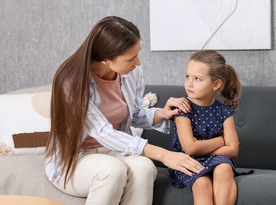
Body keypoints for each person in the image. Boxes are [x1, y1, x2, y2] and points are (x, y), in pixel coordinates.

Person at [44, 16, 204, 205]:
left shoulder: (131, 72)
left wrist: (162, 113)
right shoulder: (71, 82)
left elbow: (135, 114)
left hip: (114, 151)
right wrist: (165, 155)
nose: (137, 63)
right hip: (75, 157)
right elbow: (102, 131)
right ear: (105, 60)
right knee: (111, 171)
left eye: (137, 54)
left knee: (144, 168)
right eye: (130, 58)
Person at [169, 49, 242, 205]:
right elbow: (190, 148)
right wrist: (221, 141)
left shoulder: (224, 111)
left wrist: (202, 148)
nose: (189, 83)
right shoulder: (183, 108)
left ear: (216, 84)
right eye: (187, 77)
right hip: (188, 161)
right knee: (202, 183)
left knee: (224, 168)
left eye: (198, 79)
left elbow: (233, 150)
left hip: (216, 159)